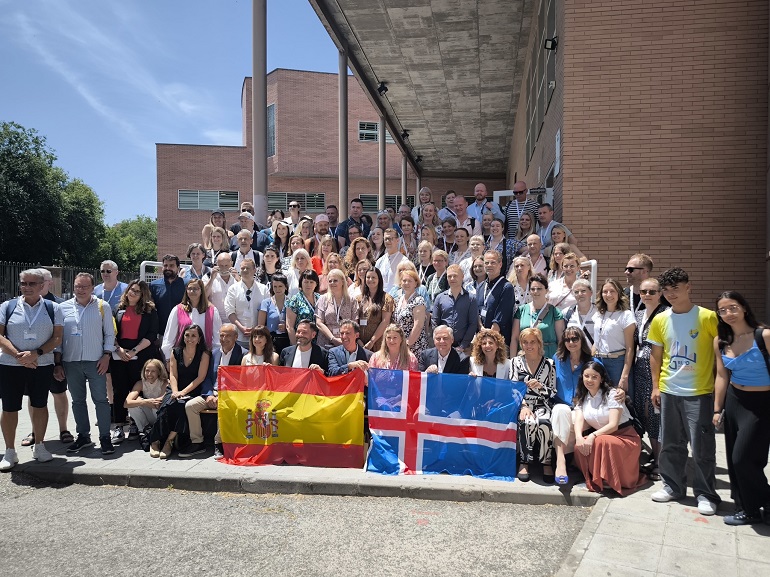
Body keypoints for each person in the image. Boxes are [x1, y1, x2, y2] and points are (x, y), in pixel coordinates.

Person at [649, 268, 720, 515]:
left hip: (699, 392)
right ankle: (672, 486)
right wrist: (656, 386)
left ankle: (705, 494)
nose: (670, 295)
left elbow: (720, 358)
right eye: (666, 291)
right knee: (670, 443)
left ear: (688, 287)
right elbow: (655, 357)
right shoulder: (660, 319)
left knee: (702, 447)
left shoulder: (708, 317)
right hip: (669, 391)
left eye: (675, 289)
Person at [713, 291, 770, 525]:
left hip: (762, 404)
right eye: (723, 310)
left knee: (743, 459)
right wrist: (717, 409)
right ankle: (750, 509)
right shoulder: (721, 340)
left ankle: (765, 501)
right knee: (737, 461)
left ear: (744, 308)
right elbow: (721, 375)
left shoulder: (764, 335)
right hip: (735, 401)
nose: (728, 313)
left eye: (733, 307)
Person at [0, 269, 63, 469]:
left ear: (42, 285)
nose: (27, 287)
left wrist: (35, 354)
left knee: (40, 404)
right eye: (23, 283)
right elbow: (0, 336)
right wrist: (19, 356)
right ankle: (10, 452)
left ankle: (40, 446)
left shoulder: (53, 308)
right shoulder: (7, 306)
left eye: (32, 284)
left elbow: (57, 338)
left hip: (42, 364)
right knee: (9, 408)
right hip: (11, 364)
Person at [58, 273, 116, 456]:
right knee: (77, 401)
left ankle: (105, 437)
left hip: (96, 361)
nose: (80, 290)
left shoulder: (102, 306)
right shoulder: (62, 308)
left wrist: (107, 355)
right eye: (77, 286)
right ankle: (83, 436)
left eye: (84, 286)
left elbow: (109, 334)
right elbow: (58, 338)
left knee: (101, 400)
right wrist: (57, 362)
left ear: (93, 288)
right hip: (71, 361)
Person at [573, 361, 646, 495]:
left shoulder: (612, 394)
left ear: (601, 379)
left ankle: (609, 480)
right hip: (603, 436)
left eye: (594, 377)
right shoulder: (583, 397)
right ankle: (594, 479)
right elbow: (578, 419)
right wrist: (578, 437)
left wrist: (592, 435)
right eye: (586, 376)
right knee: (580, 446)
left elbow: (613, 425)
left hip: (625, 437)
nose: (590, 380)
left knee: (600, 441)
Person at [149, 324, 211, 459]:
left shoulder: (204, 354)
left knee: (182, 406)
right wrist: (176, 392)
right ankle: (155, 441)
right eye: (187, 335)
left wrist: (183, 393)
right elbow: (173, 375)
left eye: (193, 335)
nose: (190, 338)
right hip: (175, 388)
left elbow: (200, 378)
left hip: (193, 389)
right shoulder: (175, 351)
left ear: (199, 339)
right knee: (167, 406)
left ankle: (169, 442)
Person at [183, 324, 244, 458]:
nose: (224, 338)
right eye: (222, 335)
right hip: (212, 393)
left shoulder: (243, 354)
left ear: (236, 337)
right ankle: (197, 442)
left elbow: (240, 381)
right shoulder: (214, 353)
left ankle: (219, 443)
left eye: (228, 335)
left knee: (223, 407)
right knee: (190, 406)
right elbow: (208, 377)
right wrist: (209, 394)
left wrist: (222, 395)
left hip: (230, 395)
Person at [110, 280, 160, 444]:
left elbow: (152, 334)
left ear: (143, 294)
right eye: (131, 290)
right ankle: (118, 425)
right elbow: (111, 333)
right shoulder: (118, 309)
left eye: (137, 291)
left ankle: (135, 424)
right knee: (119, 390)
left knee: (138, 389)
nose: (133, 293)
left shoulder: (150, 311)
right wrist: (119, 349)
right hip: (120, 357)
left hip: (141, 356)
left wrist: (134, 351)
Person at [551, 326, 598, 485]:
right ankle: (562, 462)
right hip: (561, 406)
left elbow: (603, 387)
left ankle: (562, 459)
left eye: (575, 339)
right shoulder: (557, 359)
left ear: (581, 340)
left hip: (583, 409)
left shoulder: (592, 363)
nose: (571, 342)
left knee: (566, 424)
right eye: (567, 339)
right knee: (560, 411)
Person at [633, 277, 668, 479]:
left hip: (657, 368)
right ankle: (653, 456)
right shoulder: (637, 314)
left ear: (660, 293)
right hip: (640, 369)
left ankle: (660, 461)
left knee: (656, 414)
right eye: (643, 292)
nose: (646, 295)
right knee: (643, 412)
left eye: (651, 292)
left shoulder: (666, 314)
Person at [513, 327, 557, 483]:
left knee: (545, 423)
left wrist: (540, 386)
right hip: (523, 404)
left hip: (542, 404)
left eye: (532, 342)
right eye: (525, 342)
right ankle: (524, 462)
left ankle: (546, 462)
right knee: (527, 422)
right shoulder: (516, 362)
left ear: (539, 344)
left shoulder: (549, 364)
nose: (528, 345)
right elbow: (513, 389)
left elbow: (552, 392)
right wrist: (523, 406)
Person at [161, 278, 221, 361]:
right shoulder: (177, 310)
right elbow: (169, 336)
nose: (192, 291)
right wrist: (168, 358)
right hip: (182, 357)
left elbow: (217, 338)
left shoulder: (212, 310)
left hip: (205, 357)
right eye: (189, 289)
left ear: (201, 291)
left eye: (196, 289)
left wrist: (214, 357)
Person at [592, 278, 635, 390]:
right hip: (599, 361)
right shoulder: (598, 314)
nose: (608, 294)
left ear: (619, 294)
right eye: (605, 292)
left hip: (617, 363)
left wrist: (624, 376)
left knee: (619, 400)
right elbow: (596, 341)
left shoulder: (626, 315)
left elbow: (630, 349)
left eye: (612, 291)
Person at [512, 273, 564, 359]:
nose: (536, 292)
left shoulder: (555, 312)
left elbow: (560, 339)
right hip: (525, 356)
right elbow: (514, 338)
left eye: (539, 289)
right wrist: (512, 361)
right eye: (533, 289)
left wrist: (560, 361)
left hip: (548, 357)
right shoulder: (521, 310)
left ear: (546, 290)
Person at [125, 359, 168, 454]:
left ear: (159, 372)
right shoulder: (140, 383)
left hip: (160, 416)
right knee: (134, 405)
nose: (149, 374)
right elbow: (127, 403)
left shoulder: (165, 383)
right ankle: (144, 431)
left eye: (153, 371)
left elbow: (159, 402)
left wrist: (143, 400)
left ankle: (157, 433)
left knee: (154, 407)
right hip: (148, 413)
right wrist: (144, 402)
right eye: (147, 371)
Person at [432, 264, 478, 352]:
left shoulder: (471, 299)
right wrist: (440, 342)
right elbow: (435, 321)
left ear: (462, 277)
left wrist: (463, 345)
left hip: (464, 348)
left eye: (455, 276)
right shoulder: (440, 298)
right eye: (449, 276)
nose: (452, 278)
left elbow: (473, 324)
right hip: (443, 347)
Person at [225, 258, 268, 349]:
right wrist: (241, 328)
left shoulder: (263, 289)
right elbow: (230, 311)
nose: (245, 270)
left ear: (254, 270)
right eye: (242, 268)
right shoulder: (233, 289)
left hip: (258, 339)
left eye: (247, 268)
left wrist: (257, 330)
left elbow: (267, 311)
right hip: (239, 337)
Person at [478, 250, 515, 347]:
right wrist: (481, 328)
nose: (489, 265)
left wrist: (489, 336)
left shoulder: (506, 287)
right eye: (486, 263)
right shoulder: (481, 286)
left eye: (493, 262)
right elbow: (476, 310)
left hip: (498, 340)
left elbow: (502, 315)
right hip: (481, 339)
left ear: (500, 264)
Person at [315, 269, 358, 350]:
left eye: (335, 280)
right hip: (325, 344)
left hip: (346, 343)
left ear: (342, 282)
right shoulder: (323, 299)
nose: (332, 283)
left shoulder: (352, 300)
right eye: (330, 281)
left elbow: (354, 323)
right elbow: (319, 323)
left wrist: (344, 338)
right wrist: (333, 338)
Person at [149, 254, 186, 344]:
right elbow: (150, 308)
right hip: (161, 332)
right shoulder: (154, 285)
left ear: (178, 268)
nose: (168, 268)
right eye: (165, 265)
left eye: (171, 265)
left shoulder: (186, 284)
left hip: (182, 332)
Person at [357, 267, 395, 352]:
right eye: (368, 277)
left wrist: (372, 341)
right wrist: (358, 339)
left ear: (379, 279)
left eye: (373, 277)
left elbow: (385, 322)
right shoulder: (359, 299)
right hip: (360, 344)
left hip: (378, 343)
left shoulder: (386, 299)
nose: (370, 280)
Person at [393, 269, 428, 360]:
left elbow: (419, 325)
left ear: (416, 283)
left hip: (414, 345)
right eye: (404, 280)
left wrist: (408, 344)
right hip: (400, 345)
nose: (406, 283)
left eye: (410, 281)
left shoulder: (418, 300)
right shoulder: (398, 300)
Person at [257, 272, 291, 355]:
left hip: (287, 339)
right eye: (275, 286)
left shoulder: (291, 302)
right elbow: (260, 326)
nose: (277, 289)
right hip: (271, 340)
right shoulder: (266, 303)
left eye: (280, 286)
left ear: (286, 287)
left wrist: (286, 327)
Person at [286, 269, 321, 345]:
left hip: (319, 342)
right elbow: (290, 327)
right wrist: (295, 346)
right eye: (306, 282)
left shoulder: (320, 298)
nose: (308, 284)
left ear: (316, 284)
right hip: (301, 342)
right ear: (301, 283)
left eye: (311, 282)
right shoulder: (294, 300)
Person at [203, 252, 238, 324]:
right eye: (221, 266)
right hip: (215, 321)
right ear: (216, 265)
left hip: (236, 321)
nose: (224, 269)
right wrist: (212, 279)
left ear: (231, 264)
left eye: (226, 265)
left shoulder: (237, 277)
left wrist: (238, 279)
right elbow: (203, 296)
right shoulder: (208, 277)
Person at [564, 279, 597, 346]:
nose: (580, 294)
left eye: (583, 291)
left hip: (594, 355)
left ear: (591, 292)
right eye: (576, 292)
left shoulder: (599, 312)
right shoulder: (567, 313)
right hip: (574, 355)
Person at [375, 228, 406, 293]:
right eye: (386, 239)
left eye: (390, 239)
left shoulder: (404, 261)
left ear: (397, 240)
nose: (387, 241)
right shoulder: (380, 261)